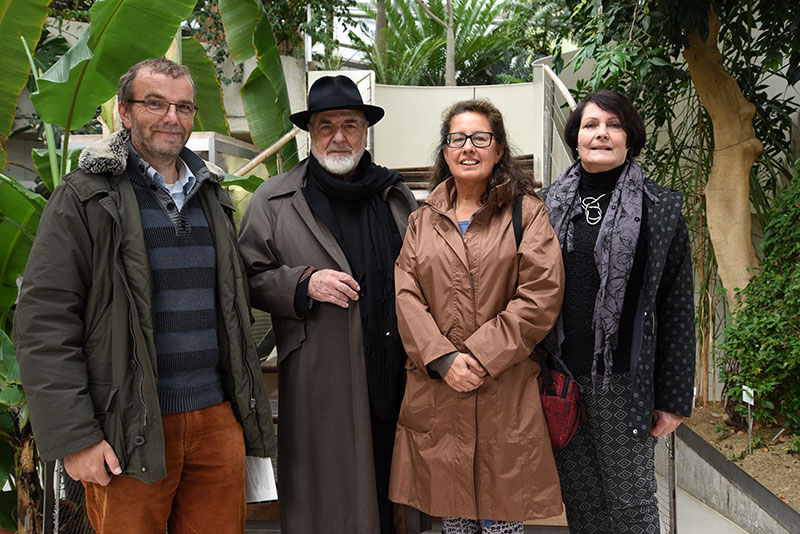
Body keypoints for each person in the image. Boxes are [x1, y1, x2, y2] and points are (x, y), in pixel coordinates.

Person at [14, 58, 276, 534]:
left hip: (216, 420)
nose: (171, 117)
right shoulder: (86, 197)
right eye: (154, 103)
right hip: (129, 428)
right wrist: (75, 438)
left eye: (183, 106)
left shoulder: (213, 197)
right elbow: (44, 321)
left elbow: (233, 307)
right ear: (125, 112)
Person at [238, 75, 417, 534]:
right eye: (326, 125)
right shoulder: (274, 200)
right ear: (310, 133)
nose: (339, 136)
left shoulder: (395, 196)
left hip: (396, 373)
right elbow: (246, 277)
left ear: (365, 131)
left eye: (350, 124)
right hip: (322, 378)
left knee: (395, 493)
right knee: (331, 501)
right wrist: (303, 283)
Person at [389, 99, 566, 533]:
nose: (468, 147)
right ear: (445, 151)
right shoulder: (422, 221)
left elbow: (540, 294)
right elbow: (406, 294)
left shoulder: (527, 213)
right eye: (457, 139)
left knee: (503, 519)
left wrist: (480, 356)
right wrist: (443, 359)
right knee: (455, 521)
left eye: (480, 138)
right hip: (442, 392)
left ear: (499, 149)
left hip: (502, 390)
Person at [539, 89, 696, 534]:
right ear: (576, 138)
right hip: (560, 379)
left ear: (630, 137)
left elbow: (678, 305)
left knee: (631, 505)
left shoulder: (658, 208)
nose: (601, 134)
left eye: (613, 125)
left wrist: (673, 398)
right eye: (590, 125)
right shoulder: (544, 205)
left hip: (625, 382)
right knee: (583, 502)